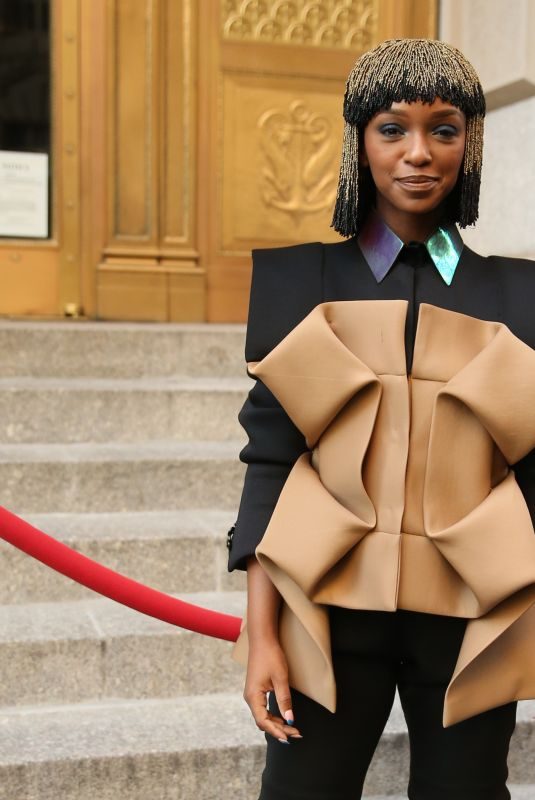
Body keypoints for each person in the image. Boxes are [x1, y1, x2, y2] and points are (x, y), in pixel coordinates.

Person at [226, 38, 535, 800]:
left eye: (444, 128)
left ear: (470, 143)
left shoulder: (519, 297)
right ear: (358, 141)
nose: (418, 153)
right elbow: (274, 462)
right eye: (391, 128)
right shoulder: (301, 281)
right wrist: (259, 632)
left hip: (469, 626)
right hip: (327, 616)